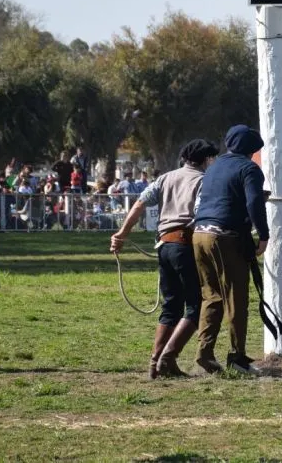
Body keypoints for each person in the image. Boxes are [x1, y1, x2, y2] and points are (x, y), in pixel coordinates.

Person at [110, 139, 219, 379]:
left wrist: (122, 234)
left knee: (171, 306)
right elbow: (201, 215)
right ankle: (167, 358)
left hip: (164, 245)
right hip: (185, 245)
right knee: (195, 305)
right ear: (205, 159)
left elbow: (139, 205)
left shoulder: (165, 178)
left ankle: (155, 364)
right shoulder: (203, 181)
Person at [191, 125, 269, 374]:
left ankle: (204, 352)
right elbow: (254, 202)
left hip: (199, 234)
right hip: (226, 237)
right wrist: (264, 236)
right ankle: (237, 357)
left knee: (211, 296)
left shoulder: (214, 167)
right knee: (236, 299)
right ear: (251, 151)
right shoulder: (249, 169)